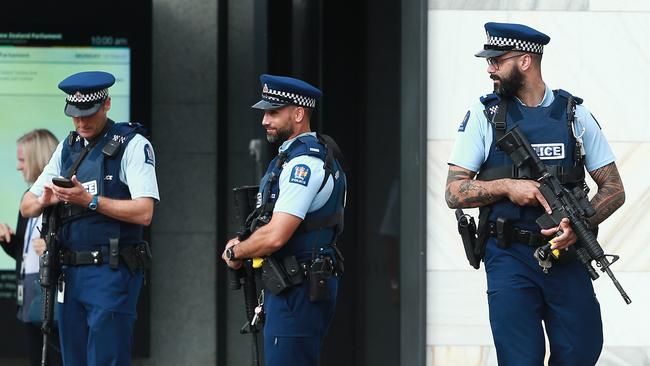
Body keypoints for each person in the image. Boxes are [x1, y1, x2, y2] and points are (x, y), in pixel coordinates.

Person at [445, 22, 625, 365]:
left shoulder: (575, 115)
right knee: (520, 358)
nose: (490, 68)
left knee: (581, 349)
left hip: (566, 257)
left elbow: (614, 188)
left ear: (525, 61)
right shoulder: (485, 117)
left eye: (498, 61)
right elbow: (454, 192)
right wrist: (507, 187)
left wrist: (577, 225)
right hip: (509, 256)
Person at [19, 71, 159, 365]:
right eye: (75, 116)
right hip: (69, 275)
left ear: (106, 104)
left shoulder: (132, 145)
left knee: (106, 357)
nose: (81, 123)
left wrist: (90, 201)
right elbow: (26, 206)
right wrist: (44, 199)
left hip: (111, 270)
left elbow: (144, 212)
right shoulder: (67, 148)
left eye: (89, 114)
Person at [221, 74, 347, 366]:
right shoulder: (307, 155)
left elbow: (277, 234)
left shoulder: (302, 164)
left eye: (273, 112)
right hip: (297, 283)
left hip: (297, 288)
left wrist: (235, 251)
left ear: (299, 113)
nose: (265, 120)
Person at [0, 129, 63, 366]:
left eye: (22, 160)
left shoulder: (62, 197)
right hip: (29, 293)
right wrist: (8, 240)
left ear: (38, 158)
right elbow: (24, 254)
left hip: (53, 293)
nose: (18, 167)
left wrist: (51, 246)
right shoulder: (28, 198)